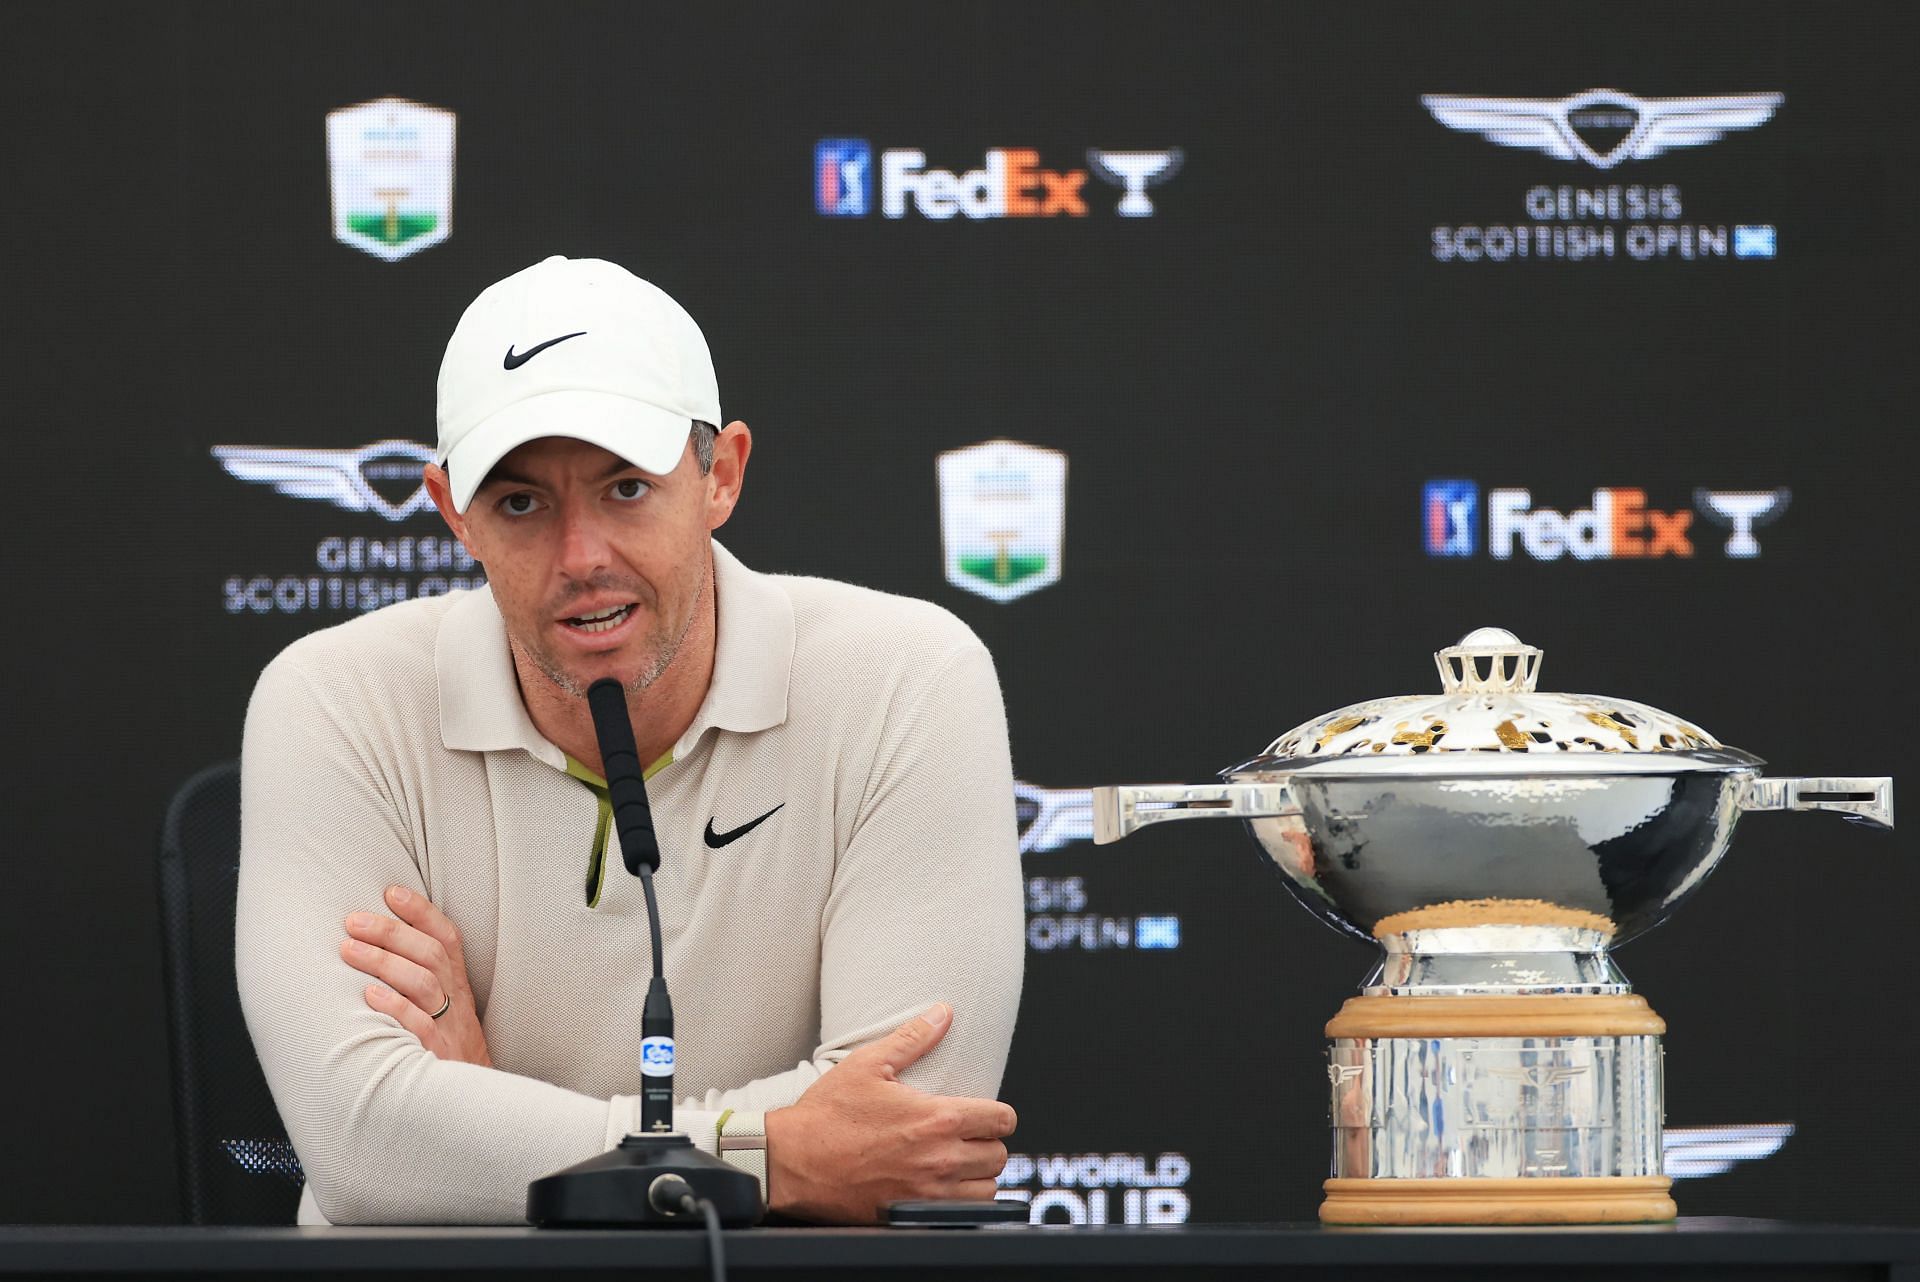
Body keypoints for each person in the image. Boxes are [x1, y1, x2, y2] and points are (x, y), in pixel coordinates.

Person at [235, 256, 1025, 1225]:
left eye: (624, 489)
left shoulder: (910, 679)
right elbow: (364, 1141)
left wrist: (484, 1121)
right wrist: (771, 1157)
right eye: (520, 502)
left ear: (720, 476)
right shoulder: (332, 699)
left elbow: (907, 1136)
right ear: (453, 515)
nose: (582, 558)